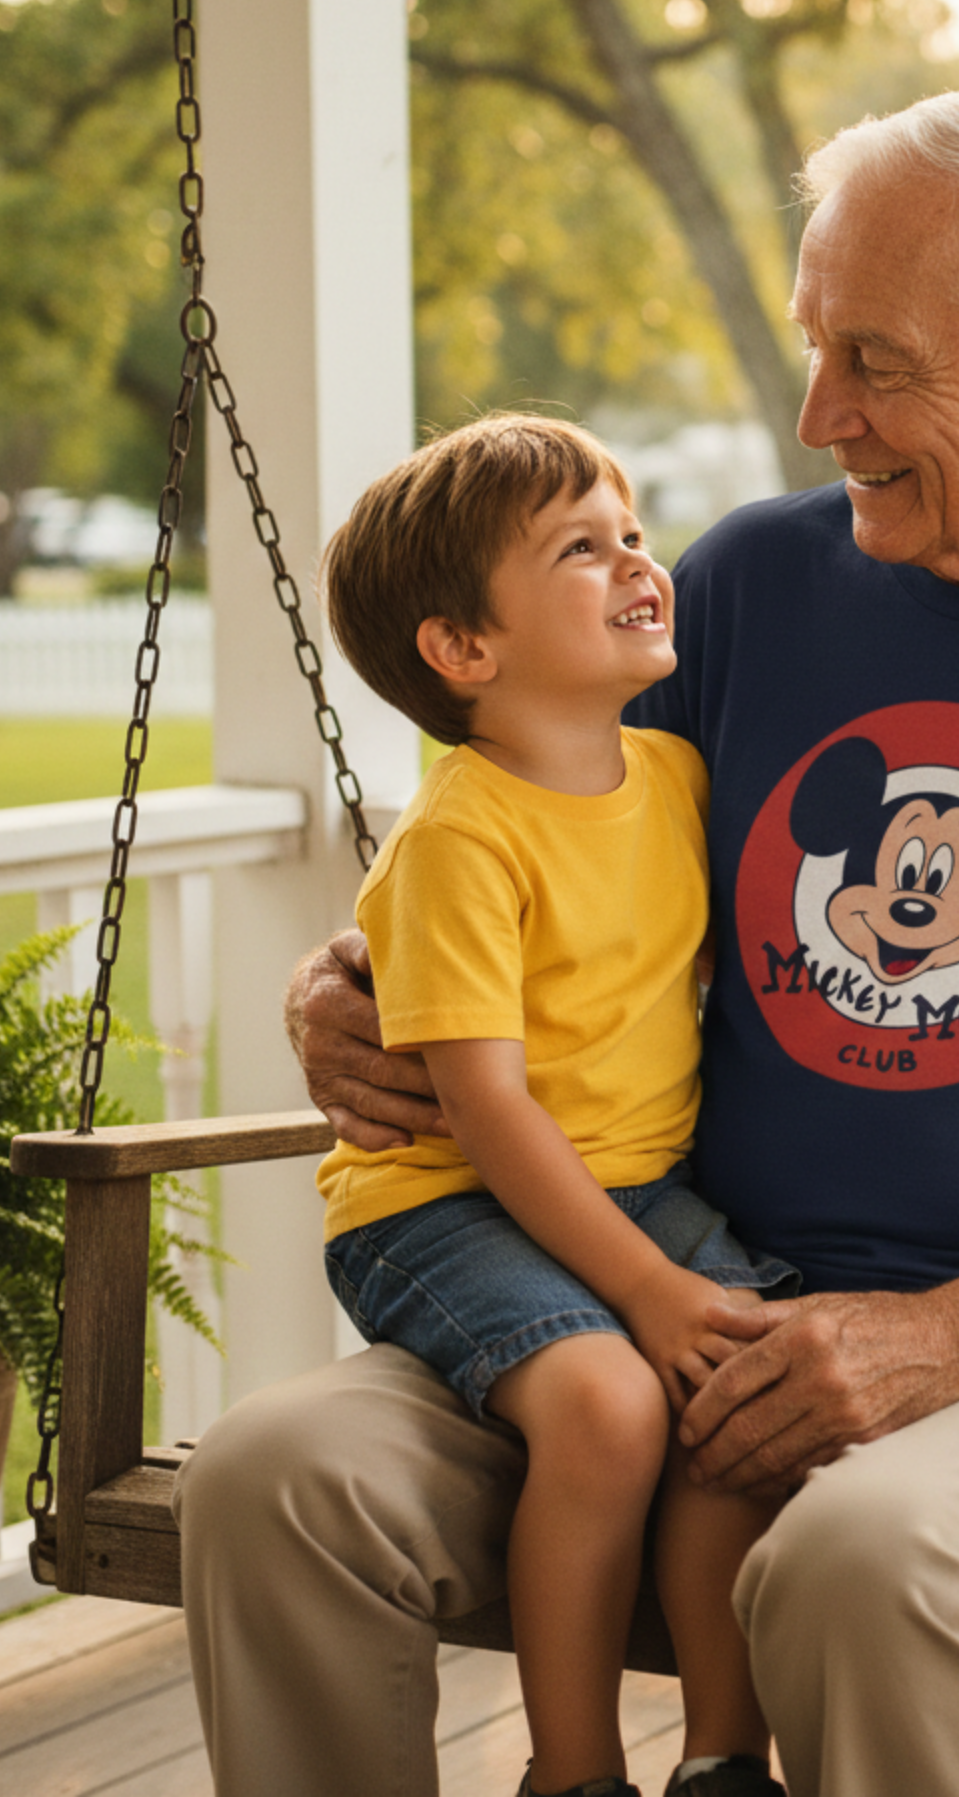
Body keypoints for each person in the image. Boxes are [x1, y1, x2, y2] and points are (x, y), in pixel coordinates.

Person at [172, 91, 959, 1797]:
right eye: (813, 347)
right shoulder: (756, 587)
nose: (817, 413)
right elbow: (549, 859)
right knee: (272, 1481)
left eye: (876, 360)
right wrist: (345, 981)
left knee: (863, 1559)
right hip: (659, 1292)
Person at [313, 415, 796, 1797]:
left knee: (739, 1386)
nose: (637, 562)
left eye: (632, 533)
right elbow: (490, 1114)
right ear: (463, 650)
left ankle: (723, 1759)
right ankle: (572, 1772)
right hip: (442, 1199)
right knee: (605, 1405)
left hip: (634, 1184)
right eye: (580, 550)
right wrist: (644, 1287)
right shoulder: (460, 839)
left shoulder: (677, 781)